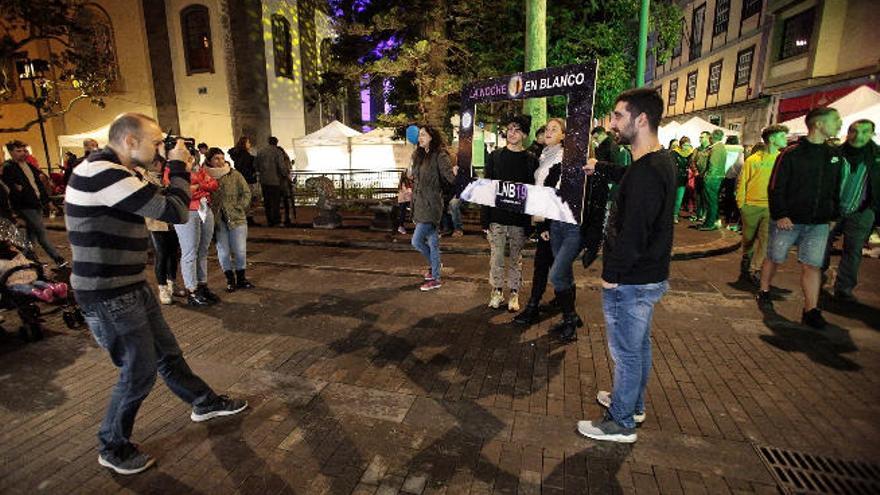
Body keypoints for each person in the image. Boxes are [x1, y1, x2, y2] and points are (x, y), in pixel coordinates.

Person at [65, 113, 247, 475]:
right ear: (130, 141)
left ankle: (202, 401)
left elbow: (164, 200)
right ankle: (112, 444)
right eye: (156, 141)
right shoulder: (102, 173)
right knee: (138, 371)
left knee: (166, 352)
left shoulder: (121, 170)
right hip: (107, 293)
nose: (161, 147)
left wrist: (180, 169)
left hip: (129, 285)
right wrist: (178, 166)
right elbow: (174, 210)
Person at [578, 88, 675, 444]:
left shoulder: (648, 171)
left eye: (619, 116)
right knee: (638, 348)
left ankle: (620, 422)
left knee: (626, 353)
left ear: (641, 119)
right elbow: (633, 181)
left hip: (632, 280)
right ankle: (631, 404)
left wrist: (611, 276)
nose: (612, 123)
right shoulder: (654, 162)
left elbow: (634, 230)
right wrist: (602, 168)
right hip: (648, 276)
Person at [757, 107, 844, 329]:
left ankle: (811, 310)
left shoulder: (834, 155)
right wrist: (781, 214)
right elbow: (775, 186)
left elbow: (836, 187)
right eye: (835, 120)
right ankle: (764, 289)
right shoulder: (791, 154)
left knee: (812, 265)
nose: (839, 124)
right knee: (775, 257)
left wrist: (833, 214)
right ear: (819, 124)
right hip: (790, 220)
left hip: (818, 222)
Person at [482, 115, 537, 312]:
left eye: (517, 130)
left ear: (524, 134)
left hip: (519, 219)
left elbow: (532, 193)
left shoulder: (531, 160)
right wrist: (485, 219)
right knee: (496, 257)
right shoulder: (495, 156)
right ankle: (496, 290)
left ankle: (514, 293)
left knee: (516, 258)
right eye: (509, 129)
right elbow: (487, 189)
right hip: (497, 217)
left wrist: (530, 223)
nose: (512, 133)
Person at [513, 118, 565, 326]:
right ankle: (563, 303)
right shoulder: (545, 155)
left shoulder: (562, 157)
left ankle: (535, 307)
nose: (549, 131)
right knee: (554, 266)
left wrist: (546, 224)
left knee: (544, 265)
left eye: (555, 129)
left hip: (554, 221)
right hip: (545, 219)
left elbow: (556, 193)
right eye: (547, 129)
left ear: (564, 136)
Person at [822, 119, 879, 302]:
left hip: (862, 211)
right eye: (854, 131)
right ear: (848, 132)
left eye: (864, 131)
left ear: (872, 134)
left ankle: (844, 288)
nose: (859, 135)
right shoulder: (836, 154)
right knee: (822, 246)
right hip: (832, 210)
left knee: (853, 250)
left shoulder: (877, 157)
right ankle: (817, 279)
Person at [737, 125, 788, 285]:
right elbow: (742, 182)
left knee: (765, 240)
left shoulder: (783, 160)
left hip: (771, 207)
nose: (785, 139)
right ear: (772, 139)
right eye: (782, 136)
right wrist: (742, 205)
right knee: (748, 239)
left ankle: (755, 269)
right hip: (751, 206)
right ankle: (747, 256)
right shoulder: (753, 160)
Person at [2, 140, 66, 266]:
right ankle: (58, 258)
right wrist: (17, 190)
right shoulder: (9, 168)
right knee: (41, 232)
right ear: (11, 152)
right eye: (18, 151)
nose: (22, 153)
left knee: (32, 235)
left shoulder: (28, 166)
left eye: (24, 150)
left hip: (36, 204)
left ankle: (29, 259)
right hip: (25, 206)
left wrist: (47, 201)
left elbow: (39, 185)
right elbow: (11, 188)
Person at [410, 125, 456, 291]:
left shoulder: (439, 155)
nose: (420, 137)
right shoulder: (420, 155)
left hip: (431, 206)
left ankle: (435, 271)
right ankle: (435, 273)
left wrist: (456, 172)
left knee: (416, 241)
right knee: (433, 244)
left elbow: (450, 178)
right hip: (419, 205)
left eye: (423, 135)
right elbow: (414, 177)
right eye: (419, 135)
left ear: (431, 137)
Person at [175, 141, 220, 306]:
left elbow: (214, 184)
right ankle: (191, 290)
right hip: (188, 211)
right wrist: (200, 187)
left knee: (203, 250)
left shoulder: (199, 170)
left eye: (192, 155)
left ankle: (202, 286)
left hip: (204, 209)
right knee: (189, 252)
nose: (191, 159)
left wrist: (198, 186)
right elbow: (181, 192)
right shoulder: (173, 171)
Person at [205, 147, 254, 292]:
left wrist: (240, 206)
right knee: (223, 251)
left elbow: (246, 192)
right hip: (218, 220)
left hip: (237, 217)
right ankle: (230, 279)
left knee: (239, 250)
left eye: (221, 158)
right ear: (209, 160)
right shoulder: (205, 176)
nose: (220, 161)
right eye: (216, 159)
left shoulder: (234, 174)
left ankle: (241, 278)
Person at [137, 155, 180, 304]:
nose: (158, 166)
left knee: (173, 254)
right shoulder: (146, 180)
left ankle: (172, 282)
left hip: (172, 221)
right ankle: (162, 288)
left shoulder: (168, 177)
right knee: (161, 254)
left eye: (160, 163)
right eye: (155, 163)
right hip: (155, 223)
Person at [0, 240, 68, 302]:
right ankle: (41, 294)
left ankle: (55, 288)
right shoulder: (2, 263)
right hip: (14, 283)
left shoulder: (18, 256)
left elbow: (27, 262)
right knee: (26, 288)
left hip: (28, 278)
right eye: (11, 246)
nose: (13, 247)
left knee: (40, 283)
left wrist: (34, 265)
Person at [254, 136, 289, 227]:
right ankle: (276, 221)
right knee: (275, 202)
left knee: (267, 201)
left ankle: (269, 219)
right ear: (276, 143)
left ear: (268, 142)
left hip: (264, 180)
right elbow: (281, 166)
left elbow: (256, 165)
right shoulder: (277, 152)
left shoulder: (261, 151)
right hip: (275, 181)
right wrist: (286, 174)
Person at [699, 129, 728, 231]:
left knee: (711, 201)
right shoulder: (720, 147)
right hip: (717, 177)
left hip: (712, 178)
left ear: (712, 137)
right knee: (713, 201)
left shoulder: (716, 148)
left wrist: (707, 177)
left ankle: (710, 223)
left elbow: (713, 165)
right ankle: (714, 221)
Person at [228, 136, 260, 226]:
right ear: (244, 144)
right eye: (248, 143)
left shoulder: (237, 155)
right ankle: (248, 218)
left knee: (245, 199)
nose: (249, 144)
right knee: (250, 199)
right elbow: (248, 168)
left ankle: (246, 216)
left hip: (241, 179)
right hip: (249, 180)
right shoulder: (246, 156)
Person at [722, 135, 745, 231]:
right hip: (736, 177)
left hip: (724, 176)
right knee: (733, 198)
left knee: (726, 198)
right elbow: (741, 164)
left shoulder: (724, 149)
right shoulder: (741, 151)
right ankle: (732, 219)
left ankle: (726, 219)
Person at [689, 131, 711, 223]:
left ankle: (705, 215)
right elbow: (692, 161)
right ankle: (699, 215)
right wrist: (695, 171)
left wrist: (708, 173)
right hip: (698, 176)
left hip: (707, 177)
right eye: (700, 137)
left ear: (708, 138)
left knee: (705, 197)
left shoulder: (711, 149)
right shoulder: (697, 150)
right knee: (698, 196)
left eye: (702, 137)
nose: (700, 139)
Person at [671, 136, 694, 222]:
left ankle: (675, 215)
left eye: (688, 145)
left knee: (679, 198)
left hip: (683, 179)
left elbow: (693, 164)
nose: (687, 147)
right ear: (681, 145)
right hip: (673, 178)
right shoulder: (674, 153)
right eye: (685, 145)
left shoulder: (690, 154)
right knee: (671, 198)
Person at [396, 171, 413, 235]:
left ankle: (401, 226)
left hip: (405, 200)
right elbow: (408, 191)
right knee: (402, 214)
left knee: (403, 213)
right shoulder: (404, 183)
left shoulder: (405, 182)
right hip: (403, 200)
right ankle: (401, 227)